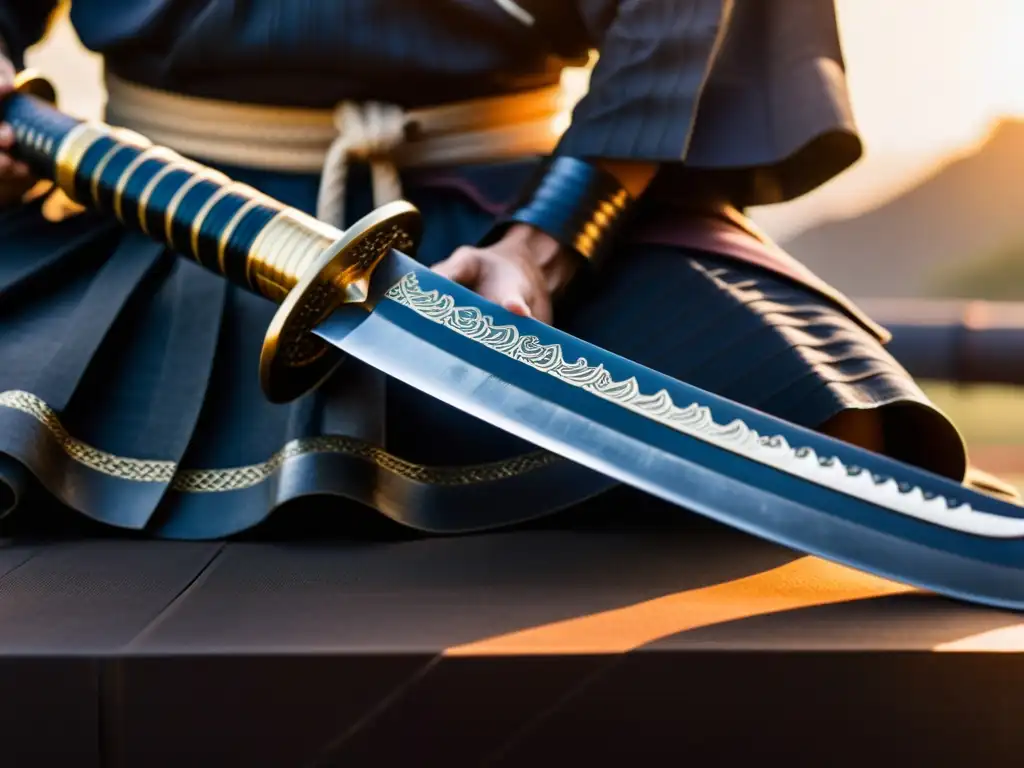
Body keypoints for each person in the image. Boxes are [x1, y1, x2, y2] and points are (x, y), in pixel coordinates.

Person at [0, 1, 1012, 540]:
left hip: (510, 234)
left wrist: (547, 238)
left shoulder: (531, 247)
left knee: (839, 429)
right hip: (150, 214)